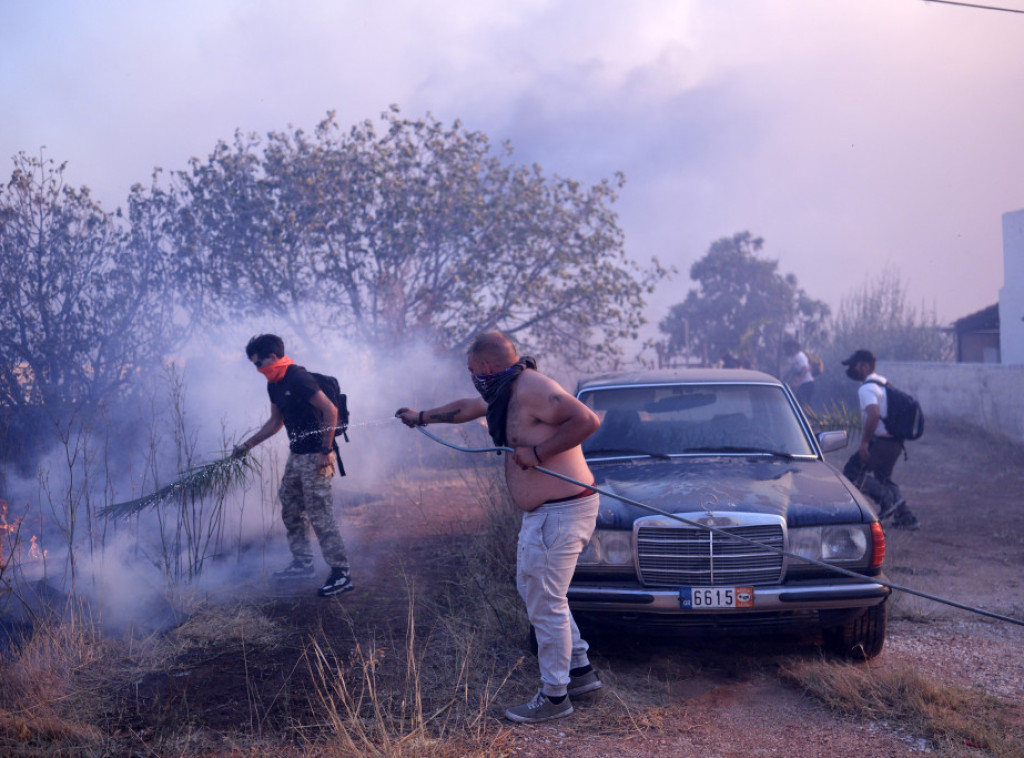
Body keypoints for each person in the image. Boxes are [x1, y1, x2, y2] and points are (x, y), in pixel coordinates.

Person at [395, 330, 602, 725]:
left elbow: (586, 419)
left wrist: (538, 452)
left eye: (472, 369)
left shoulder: (531, 387)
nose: (472, 376)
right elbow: (469, 407)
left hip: (562, 510)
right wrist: (422, 417)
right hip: (546, 513)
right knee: (537, 591)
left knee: (546, 600)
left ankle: (555, 696)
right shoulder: (505, 391)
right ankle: (579, 671)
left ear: (486, 366)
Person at [233, 334, 354, 596]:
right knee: (290, 505)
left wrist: (326, 448)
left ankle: (341, 573)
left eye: (260, 362)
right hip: (297, 454)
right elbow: (275, 423)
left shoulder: (298, 378)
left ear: (274, 357)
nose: (258, 369)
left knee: (319, 512)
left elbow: (330, 410)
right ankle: (303, 563)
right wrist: (247, 445)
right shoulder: (274, 385)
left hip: (318, 454)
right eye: (254, 364)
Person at [840, 349, 919, 530]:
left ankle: (887, 499)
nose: (852, 370)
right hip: (896, 444)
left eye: (854, 366)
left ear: (865, 366)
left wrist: (865, 442)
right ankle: (907, 517)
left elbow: (873, 415)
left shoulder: (866, 388)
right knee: (883, 478)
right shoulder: (884, 383)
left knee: (851, 474)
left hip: (881, 443)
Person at [783, 337, 815, 408]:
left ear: (793, 348)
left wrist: (799, 382)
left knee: (801, 404)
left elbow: (805, 369)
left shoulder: (799, 356)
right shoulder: (795, 357)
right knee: (801, 403)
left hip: (807, 384)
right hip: (805, 384)